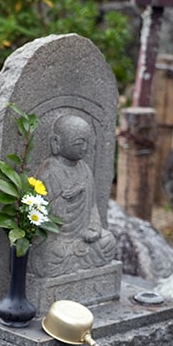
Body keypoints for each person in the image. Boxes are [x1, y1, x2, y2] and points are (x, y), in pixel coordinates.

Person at [29, 113, 117, 278]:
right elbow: (42, 214)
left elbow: (92, 207)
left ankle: (78, 262)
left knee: (108, 242)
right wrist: (65, 198)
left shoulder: (85, 170)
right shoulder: (49, 172)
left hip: (82, 237)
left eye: (87, 143)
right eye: (79, 143)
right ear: (56, 142)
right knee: (51, 254)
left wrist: (94, 228)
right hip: (57, 238)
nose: (84, 148)